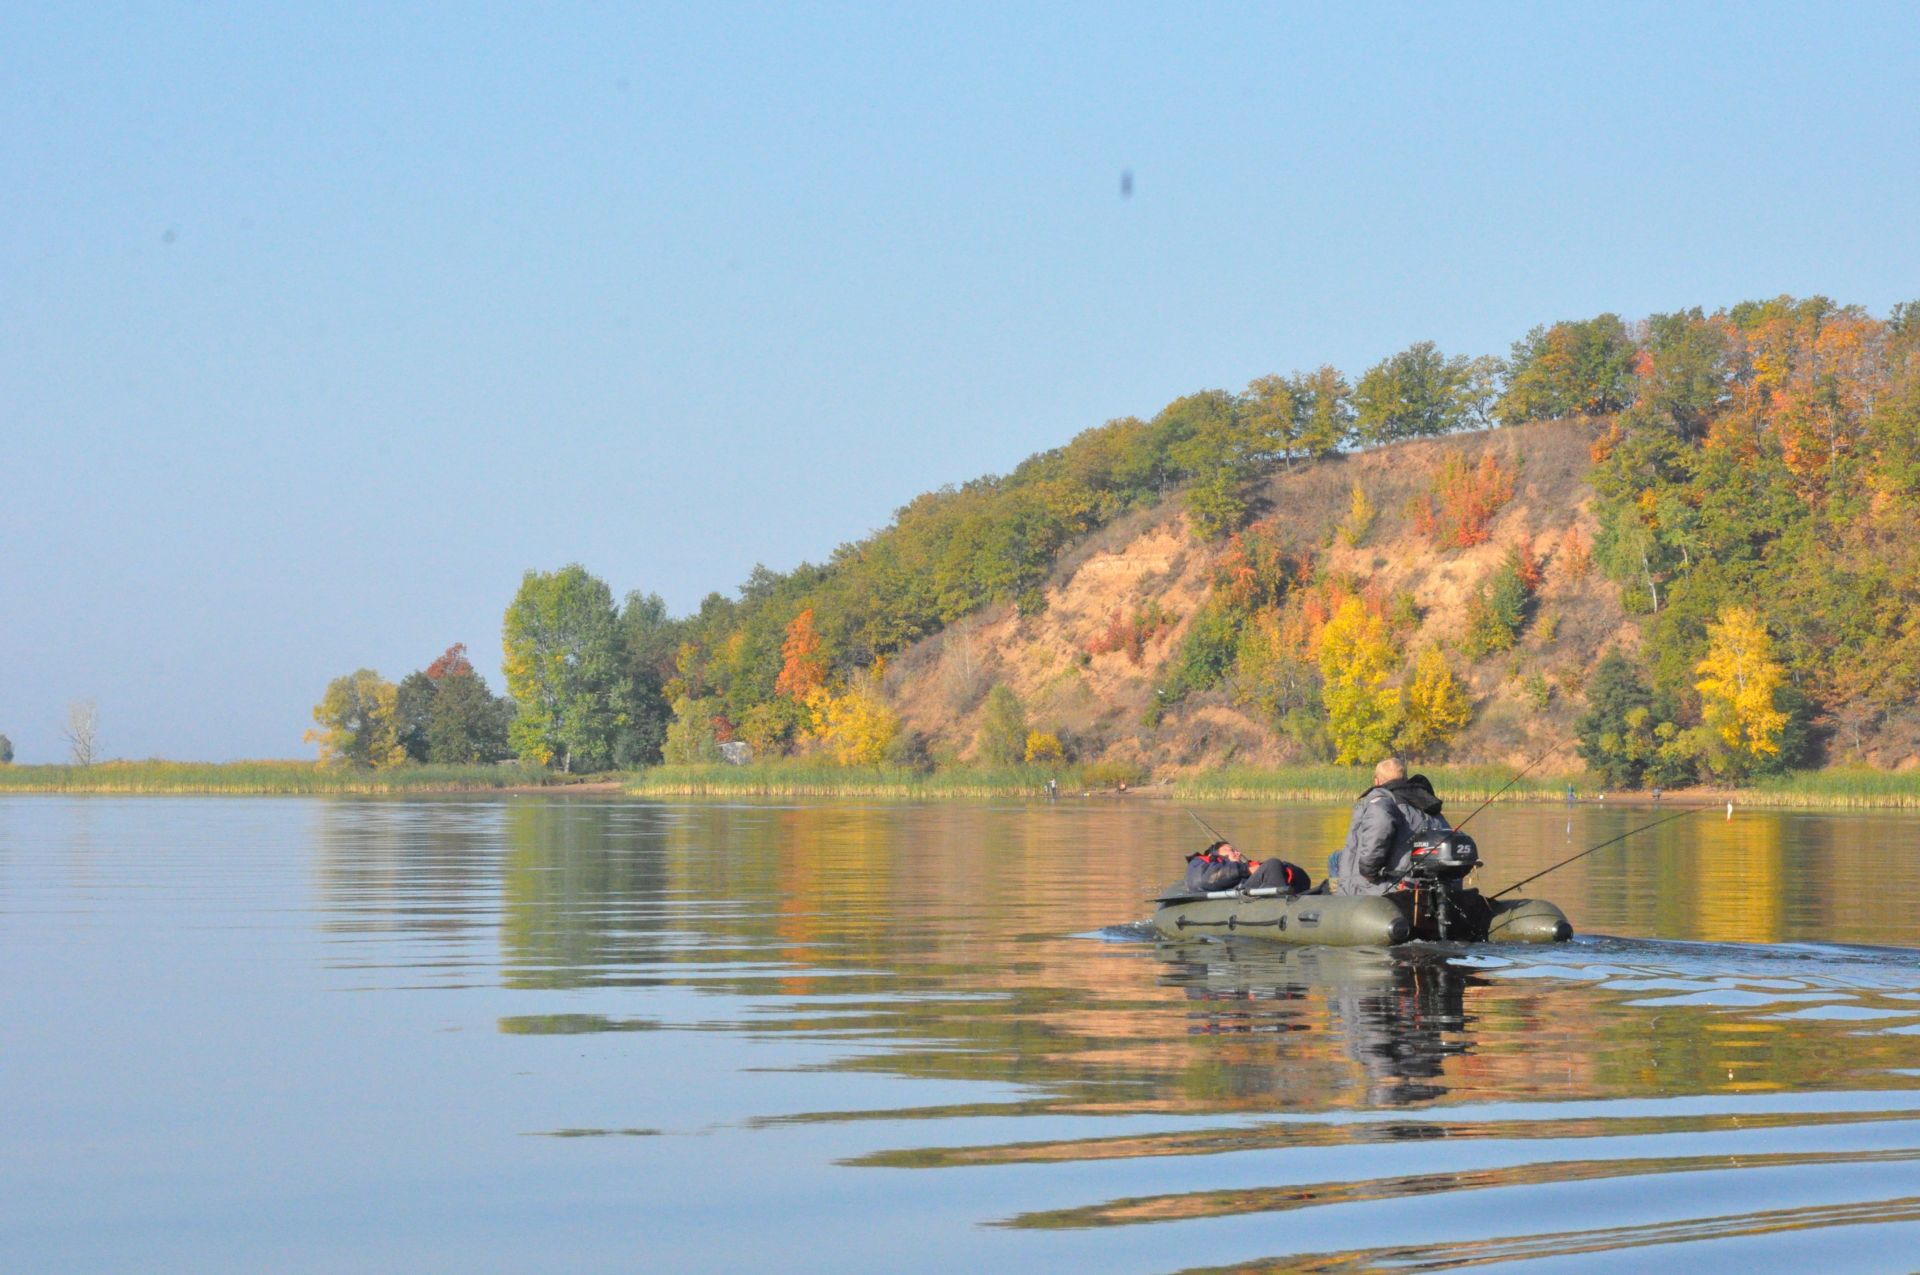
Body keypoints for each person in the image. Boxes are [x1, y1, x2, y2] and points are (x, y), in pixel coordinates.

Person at [1334, 757, 1451, 896]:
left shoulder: (1383, 800)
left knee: (1336, 860)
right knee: (1335, 858)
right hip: (1419, 883)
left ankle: (1338, 902)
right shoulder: (1427, 803)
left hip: (1385, 887)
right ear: (1405, 779)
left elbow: (1379, 830)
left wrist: (1368, 872)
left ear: (1377, 781)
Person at [1185, 840, 1312, 894]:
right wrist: (1245, 869)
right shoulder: (1201, 861)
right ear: (1215, 853)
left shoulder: (1246, 865)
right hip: (1239, 895)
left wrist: (1285, 868)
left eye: (1237, 851)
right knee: (1272, 864)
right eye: (1231, 850)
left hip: (1247, 888)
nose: (1237, 853)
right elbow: (1200, 879)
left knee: (1276, 865)